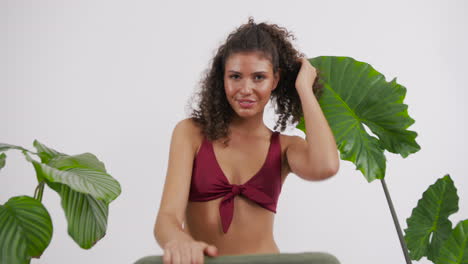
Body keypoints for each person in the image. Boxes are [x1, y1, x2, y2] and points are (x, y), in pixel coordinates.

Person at [153, 17, 340, 264]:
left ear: (275, 80)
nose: (245, 89)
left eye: (259, 77)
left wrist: (304, 88)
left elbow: (326, 165)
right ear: (222, 78)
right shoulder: (191, 133)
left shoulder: (284, 147)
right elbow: (166, 218)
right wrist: (178, 240)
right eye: (236, 76)